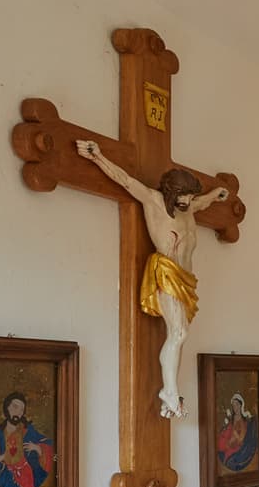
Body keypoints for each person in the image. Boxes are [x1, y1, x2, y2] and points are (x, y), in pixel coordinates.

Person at [73, 138, 231, 419]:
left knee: (179, 335)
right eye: (184, 196)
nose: (188, 201)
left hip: (186, 278)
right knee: (179, 333)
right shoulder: (154, 201)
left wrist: (216, 193)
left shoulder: (189, 208)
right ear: (172, 192)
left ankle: (169, 389)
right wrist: (97, 156)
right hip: (166, 272)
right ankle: (168, 390)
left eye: (191, 197)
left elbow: (204, 203)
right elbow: (124, 180)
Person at [214, 391, 259, 472]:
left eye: (237, 404)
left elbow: (241, 438)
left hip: (237, 444)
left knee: (229, 456)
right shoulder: (231, 418)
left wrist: (234, 435)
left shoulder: (244, 421)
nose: (235, 407)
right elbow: (227, 431)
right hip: (229, 441)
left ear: (241, 405)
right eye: (233, 405)